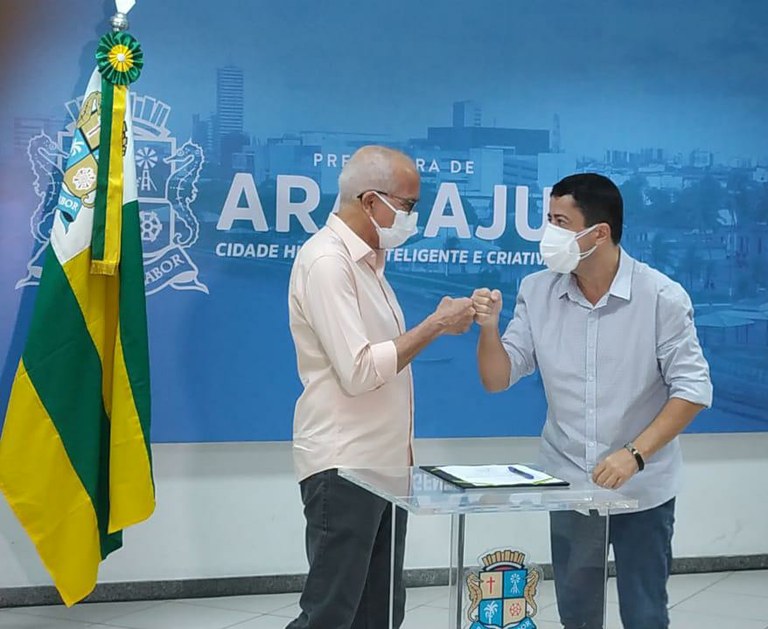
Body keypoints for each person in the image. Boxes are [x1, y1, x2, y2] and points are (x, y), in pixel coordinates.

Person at [472, 173, 712, 629]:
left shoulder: (661, 297)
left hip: (642, 489)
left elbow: (693, 391)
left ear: (598, 233)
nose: (549, 234)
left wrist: (634, 455)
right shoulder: (537, 290)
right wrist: (488, 328)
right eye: (548, 219)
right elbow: (497, 378)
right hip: (568, 482)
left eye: (560, 222)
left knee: (644, 613)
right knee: (578, 615)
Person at [286, 145, 475, 629]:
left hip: (385, 467)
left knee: (380, 613)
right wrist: (434, 325)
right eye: (408, 205)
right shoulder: (328, 263)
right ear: (371, 201)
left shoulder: (371, 264)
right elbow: (360, 371)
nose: (412, 218)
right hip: (346, 465)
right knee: (331, 613)